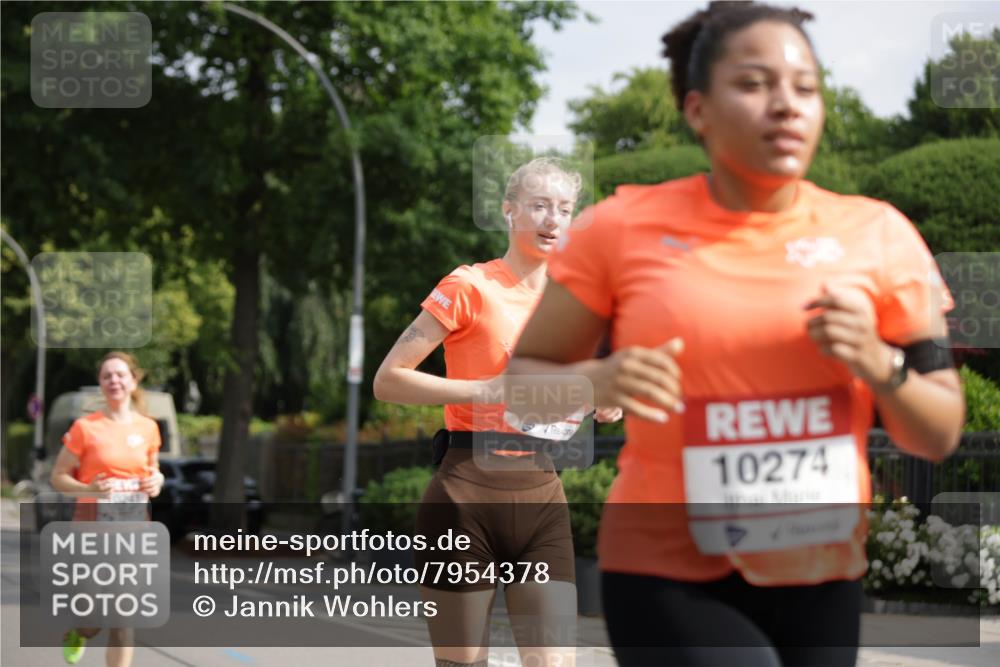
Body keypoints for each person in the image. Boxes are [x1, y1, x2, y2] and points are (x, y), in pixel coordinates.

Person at [506, 3, 965, 666]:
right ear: (698, 110)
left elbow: (939, 432)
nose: (786, 105)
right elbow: (521, 391)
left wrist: (878, 360)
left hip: (822, 568)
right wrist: (596, 380)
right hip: (666, 569)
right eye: (754, 84)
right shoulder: (620, 227)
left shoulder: (879, 234)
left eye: (805, 87)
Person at [374, 157, 620, 667]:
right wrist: (485, 392)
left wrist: (605, 400)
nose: (553, 220)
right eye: (539, 206)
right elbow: (388, 380)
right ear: (509, 212)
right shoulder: (470, 286)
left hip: (542, 498)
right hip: (465, 497)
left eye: (565, 209)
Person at [50, 351, 164, 666]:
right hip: (90, 532)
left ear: (133, 380)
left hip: (133, 534)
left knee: (123, 617)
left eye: (120, 375)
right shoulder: (86, 428)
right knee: (93, 619)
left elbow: (153, 472)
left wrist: (157, 481)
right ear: (100, 384)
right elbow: (58, 476)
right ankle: (80, 630)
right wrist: (88, 489)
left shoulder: (148, 428)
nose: (114, 380)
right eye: (107, 376)